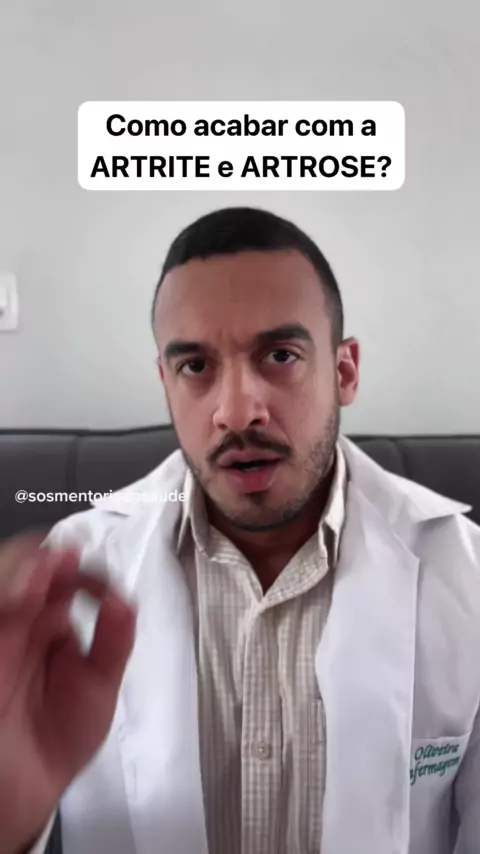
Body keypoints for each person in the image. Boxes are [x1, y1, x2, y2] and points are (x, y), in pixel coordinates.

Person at [1, 207, 479, 854]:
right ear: (166, 383)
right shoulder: (67, 579)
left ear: (344, 372)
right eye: (195, 367)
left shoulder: (465, 577)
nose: (235, 411)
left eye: (280, 356)